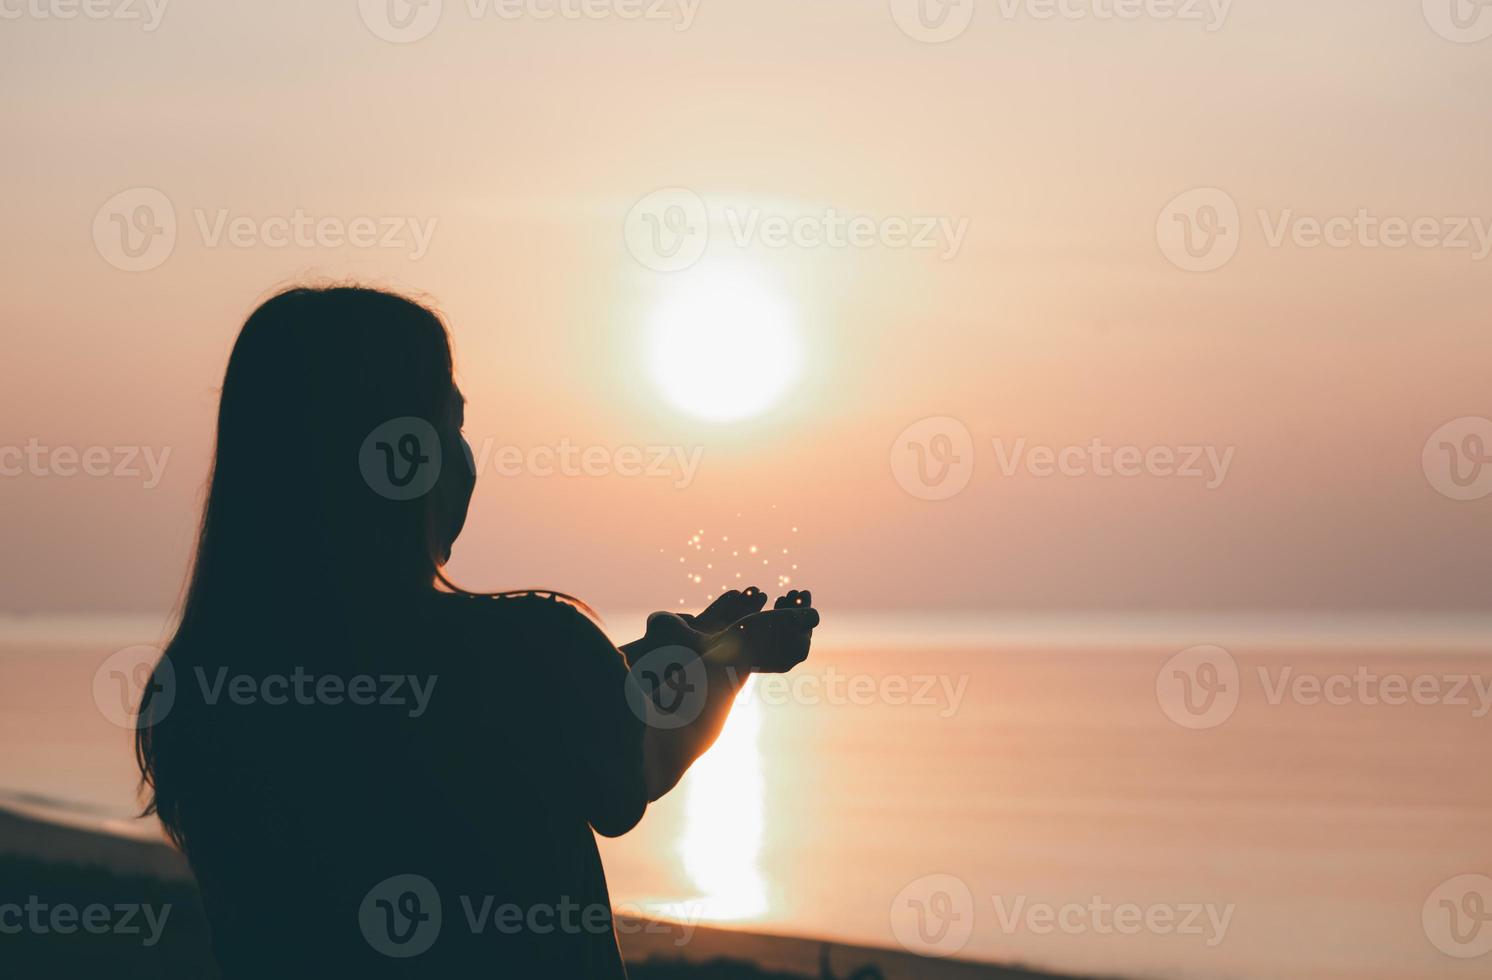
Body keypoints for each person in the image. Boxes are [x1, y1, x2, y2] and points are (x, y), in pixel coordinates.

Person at [134, 285, 819, 977]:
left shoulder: (199, 693)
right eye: (450, 425)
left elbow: (470, 710)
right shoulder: (532, 647)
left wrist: (670, 655)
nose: (464, 457)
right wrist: (729, 665)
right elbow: (621, 766)